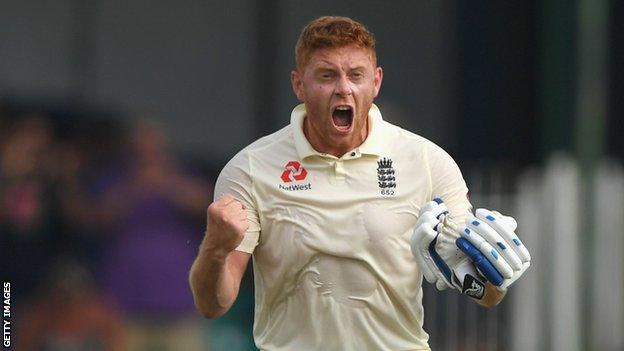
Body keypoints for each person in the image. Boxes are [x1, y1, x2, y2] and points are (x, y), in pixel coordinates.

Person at [190, 16, 530, 350]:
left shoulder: (427, 162)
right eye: (326, 75)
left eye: (356, 75)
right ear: (299, 85)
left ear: (376, 82)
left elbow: (487, 294)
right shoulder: (250, 168)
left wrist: (481, 280)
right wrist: (216, 249)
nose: (343, 88)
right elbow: (213, 304)